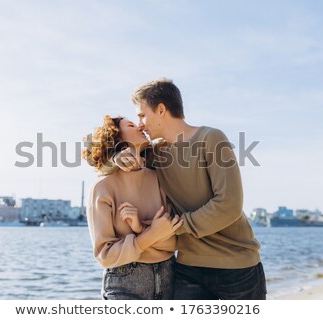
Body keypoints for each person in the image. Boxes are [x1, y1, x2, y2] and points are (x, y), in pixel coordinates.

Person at [114, 78, 266, 300]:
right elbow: (104, 159)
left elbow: (229, 204)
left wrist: (172, 228)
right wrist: (117, 157)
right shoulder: (154, 154)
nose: (140, 124)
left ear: (161, 109)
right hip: (187, 269)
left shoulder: (211, 138)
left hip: (237, 266)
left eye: (142, 115)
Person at [82, 115, 183, 300]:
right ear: (116, 137)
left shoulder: (159, 177)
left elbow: (174, 240)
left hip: (170, 278)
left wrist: (140, 228)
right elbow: (105, 255)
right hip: (125, 283)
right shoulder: (102, 187)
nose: (139, 126)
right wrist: (151, 235)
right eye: (131, 125)